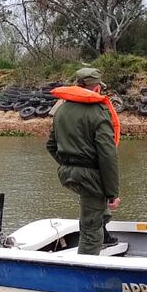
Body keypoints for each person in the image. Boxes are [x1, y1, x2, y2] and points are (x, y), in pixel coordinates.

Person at [46, 67, 121, 255]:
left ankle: (104, 233)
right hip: (90, 175)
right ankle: (86, 268)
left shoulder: (61, 110)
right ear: (96, 89)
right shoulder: (98, 112)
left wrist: (69, 165)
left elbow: (51, 145)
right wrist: (113, 193)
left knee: (93, 203)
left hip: (67, 173)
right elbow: (107, 155)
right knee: (90, 231)